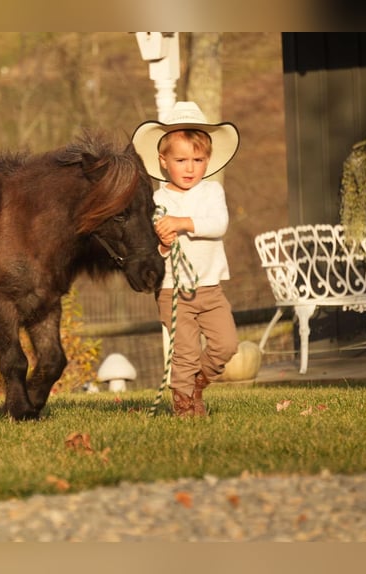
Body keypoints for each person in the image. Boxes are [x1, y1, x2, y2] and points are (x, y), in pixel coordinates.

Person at [132, 101, 240, 417]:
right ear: (164, 161)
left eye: (198, 160)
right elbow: (151, 254)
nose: (190, 167)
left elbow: (219, 224)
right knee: (186, 352)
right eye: (181, 160)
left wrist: (182, 223)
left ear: (208, 160)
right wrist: (163, 245)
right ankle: (185, 408)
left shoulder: (212, 193)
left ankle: (196, 385)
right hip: (172, 292)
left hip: (210, 289)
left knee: (226, 345)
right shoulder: (156, 201)